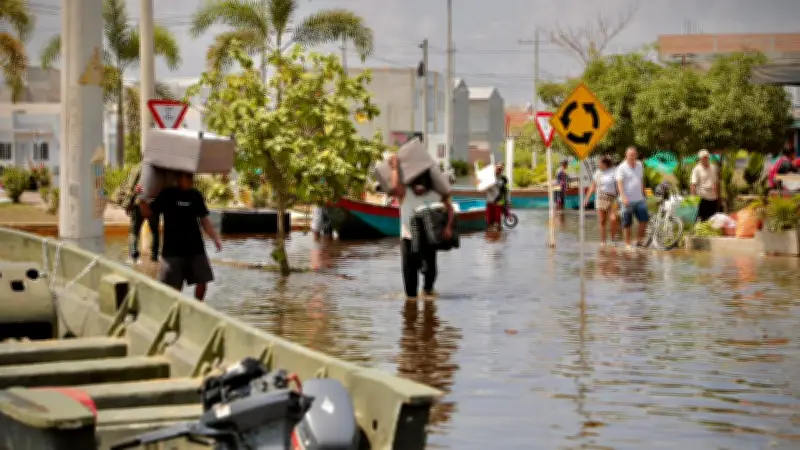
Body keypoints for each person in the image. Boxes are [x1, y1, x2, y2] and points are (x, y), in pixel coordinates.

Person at [141, 171, 222, 301]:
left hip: (195, 248)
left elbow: (204, 219)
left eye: (192, 176)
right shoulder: (167, 194)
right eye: (188, 177)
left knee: (203, 281)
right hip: (172, 251)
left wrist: (215, 238)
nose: (191, 180)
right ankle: (175, 312)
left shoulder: (195, 195)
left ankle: (198, 307)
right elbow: (148, 212)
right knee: (173, 288)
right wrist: (141, 198)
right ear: (178, 178)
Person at [389, 155, 454, 301]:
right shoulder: (405, 193)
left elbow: (450, 209)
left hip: (428, 241)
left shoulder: (435, 194)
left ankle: (428, 292)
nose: (419, 191)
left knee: (429, 273)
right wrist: (394, 167)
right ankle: (411, 307)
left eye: (422, 188)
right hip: (408, 240)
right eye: (416, 188)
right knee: (410, 286)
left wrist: (448, 227)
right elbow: (394, 187)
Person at [111, 163, 160, 265]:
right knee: (153, 231)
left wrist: (128, 204)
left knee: (134, 231)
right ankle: (154, 256)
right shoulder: (158, 169)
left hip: (140, 204)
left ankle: (134, 256)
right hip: (151, 204)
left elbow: (131, 186)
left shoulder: (138, 167)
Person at [616, 147, 649, 249]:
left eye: (634, 154)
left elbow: (640, 180)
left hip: (639, 199)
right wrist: (623, 197)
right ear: (626, 155)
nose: (632, 156)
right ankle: (627, 244)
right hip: (627, 200)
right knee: (627, 223)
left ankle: (639, 240)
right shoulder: (621, 167)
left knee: (644, 220)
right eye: (630, 155)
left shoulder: (639, 165)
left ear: (636, 155)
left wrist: (644, 192)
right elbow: (619, 183)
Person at [585, 155, 619, 245]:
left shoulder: (614, 171)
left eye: (599, 163)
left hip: (612, 198)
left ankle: (612, 239)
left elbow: (619, 184)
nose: (598, 164)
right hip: (600, 197)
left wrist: (621, 195)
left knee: (613, 219)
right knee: (602, 221)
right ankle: (603, 242)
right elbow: (593, 186)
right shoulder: (598, 172)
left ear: (604, 164)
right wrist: (587, 198)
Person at [691, 149, 720, 222]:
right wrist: (693, 198)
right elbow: (693, 184)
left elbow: (716, 182)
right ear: (700, 159)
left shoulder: (713, 168)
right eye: (703, 158)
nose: (705, 159)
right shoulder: (696, 169)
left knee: (712, 218)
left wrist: (717, 195)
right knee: (702, 218)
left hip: (713, 197)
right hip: (702, 196)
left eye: (706, 157)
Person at [485, 164, 509, 231]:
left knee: (497, 217)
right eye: (497, 168)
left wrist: (507, 201)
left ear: (502, 170)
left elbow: (505, 190)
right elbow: (484, 187)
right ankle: (490, 230)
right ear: (494, 169)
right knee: (489, 218)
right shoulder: (489, 178)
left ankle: (498, 230)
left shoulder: (503, 179)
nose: (499, 170)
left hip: (499, 200)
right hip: (490, 200)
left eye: (500, 169)